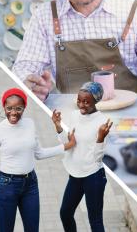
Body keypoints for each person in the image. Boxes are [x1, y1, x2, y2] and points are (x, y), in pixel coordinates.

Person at [0, 88, 75, 232]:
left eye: (18, 108)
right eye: (9, 108)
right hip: (7, 187)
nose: (13, 112)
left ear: (24, 108)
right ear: (4, 106)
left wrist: (66, 145)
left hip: (30, 185)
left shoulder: (29, 124)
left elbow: (39, 153)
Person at [51, 81, 112, 232]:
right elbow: (70, 143)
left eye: (86, 101)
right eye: (79, 100)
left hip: (94, 176)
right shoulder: (74, 116)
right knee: (65, 213)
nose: (81, 104)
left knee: (95, 221)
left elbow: (98, 158)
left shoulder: (102, 122)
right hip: (75, 175)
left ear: (96, 101)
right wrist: (58, 127)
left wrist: (100, 138)